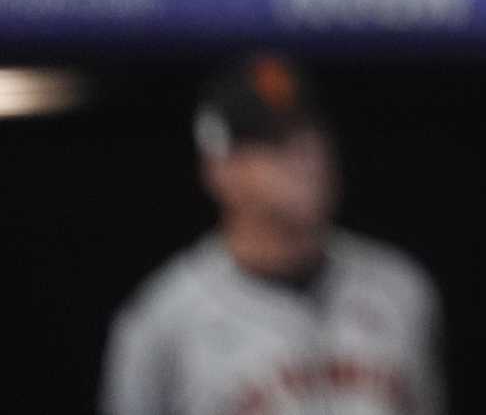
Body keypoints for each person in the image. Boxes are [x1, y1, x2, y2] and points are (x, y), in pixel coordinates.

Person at [101, 54, 443, 415]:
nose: (306, 155)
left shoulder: (401, 289)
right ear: (220, 170)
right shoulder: (164, 322)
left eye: (311, 132)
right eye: (276, 142)